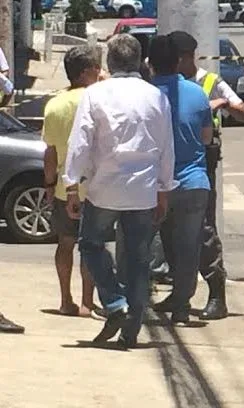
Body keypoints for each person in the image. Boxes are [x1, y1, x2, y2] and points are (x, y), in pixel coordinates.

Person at [64, 34, 177, 348]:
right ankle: (131, 329)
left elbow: (80, 143)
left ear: (110, 62)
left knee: (90, 245)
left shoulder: (95, 94)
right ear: (139, 61)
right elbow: (167, 148)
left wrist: (71, 186)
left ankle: (115, 303)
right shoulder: (157, 97)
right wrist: (164, 190)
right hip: (143, 190)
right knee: (138, 259)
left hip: (104, 188)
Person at [170, 31, 244, 320]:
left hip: (201, 163)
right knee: (169, 232)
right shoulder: (168, 82)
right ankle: (179, 294)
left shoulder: (210, 82)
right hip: (170, 162)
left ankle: (217, 296)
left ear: (185, 58)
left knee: (204, 231)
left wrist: (222, 104)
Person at [147, 36, 214, 324]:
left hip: (153, 186)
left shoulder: (145, 94)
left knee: (142, 244)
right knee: (189, 248)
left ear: (149, 64)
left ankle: (134, 302)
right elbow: (207, 138)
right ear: (178, 62)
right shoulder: (198, 94)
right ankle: (182, 305)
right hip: (193, 183)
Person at [42, 45, 101, 318]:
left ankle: (66, 300)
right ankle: (88, 302)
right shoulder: (100, 98)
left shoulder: (54, 105)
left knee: (65, 243)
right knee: (91, 245)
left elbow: (50, 152)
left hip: (66, 189)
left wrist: (48, 185)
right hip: (98, 188)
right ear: (87, 72)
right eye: (97, 68)